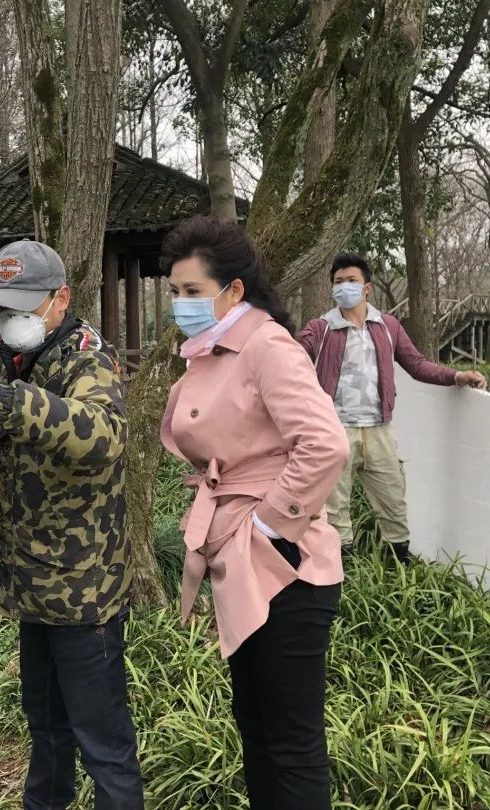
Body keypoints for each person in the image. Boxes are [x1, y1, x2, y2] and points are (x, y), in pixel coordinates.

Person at [0, 240, 144, 810]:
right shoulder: (11, 358)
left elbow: (103, 435)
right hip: (31, 586)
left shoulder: (86, 356)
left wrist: (2, 400)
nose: (8, 321)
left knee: (105, 745)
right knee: (46, 730)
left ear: (61, 299)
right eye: (0, 309)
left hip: (84, 594)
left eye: (21, 307)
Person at [160, 215, 349, 810]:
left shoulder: (266, 345)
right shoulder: (212, 350)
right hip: (239, 559)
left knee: (290, 742)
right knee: (258, 729)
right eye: (174, 290)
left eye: (193, 290)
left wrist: (270, 527)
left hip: (286, 568)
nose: (181, 302)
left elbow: (325, 444)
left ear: (233, 289)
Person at [297, 252, 487, 561]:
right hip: (334, 430)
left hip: (379, 430)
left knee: (393, 501)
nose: (344, 287)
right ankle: (342, 568)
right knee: (334, 506)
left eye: (351, 280)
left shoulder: (387, 326)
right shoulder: (321, 328)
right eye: (338, 282)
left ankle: (396, 564)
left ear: (366, 288)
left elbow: (416, 364)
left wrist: (456, 376)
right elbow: (293, 354)